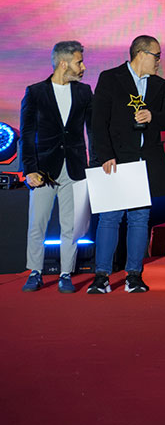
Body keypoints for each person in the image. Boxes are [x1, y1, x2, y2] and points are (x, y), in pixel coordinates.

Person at [87, 36, 165, 294]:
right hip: (115, 160)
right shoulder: (110, 78)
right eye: (156, 56)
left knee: (140, 218)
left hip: (145, 161)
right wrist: (105, 155)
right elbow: (98, 122)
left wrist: (152, 116)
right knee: (110, 218)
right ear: (141, 54)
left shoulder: (160, 85)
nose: (159, 61)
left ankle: (134, 275)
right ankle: (102, 275)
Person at [19, 41, 91, 293]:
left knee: (70, 225)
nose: (83, 67)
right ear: (63, 63)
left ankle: (65, 274)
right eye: (79, 62)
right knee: (37, 223)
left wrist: (94, 164)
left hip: (75, 167)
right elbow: (27, 134)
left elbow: (92, 130)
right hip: (43, 170)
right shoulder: (35, 92)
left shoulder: (84, 92)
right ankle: (35, 272)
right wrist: (29, 169)